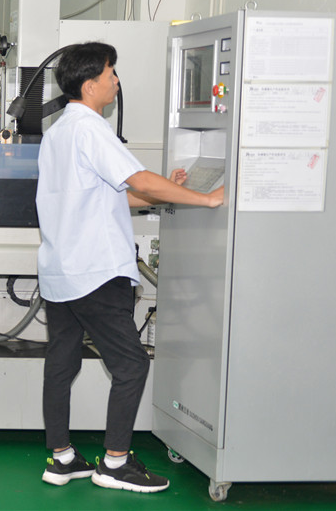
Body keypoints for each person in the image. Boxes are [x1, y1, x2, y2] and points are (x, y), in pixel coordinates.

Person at [35, 43, 224, 493]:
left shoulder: (58, 132)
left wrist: (166, 190)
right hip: (96, 272)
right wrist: (206, 199)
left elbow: (114, 194)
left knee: (61, 362)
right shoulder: (91, 128)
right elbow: (137, 179)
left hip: (61, 271)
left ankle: (62, 458)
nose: (116, 81)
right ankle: (115, 464)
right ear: (90, 85)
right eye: (111, 73)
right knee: (132, 365)